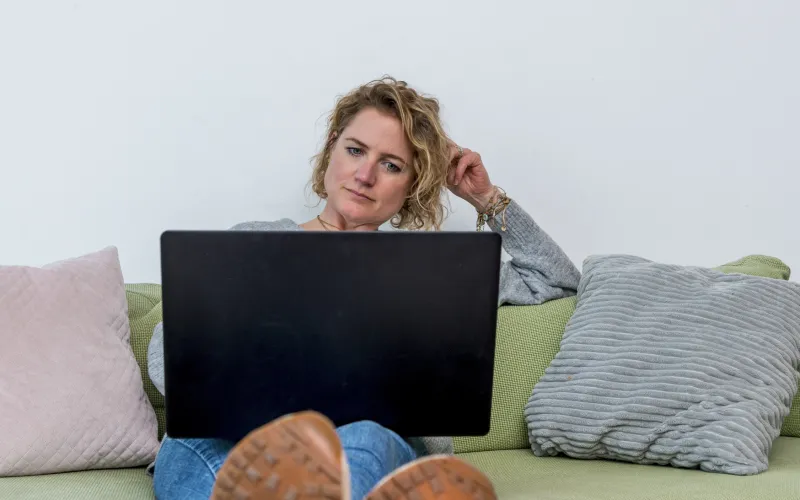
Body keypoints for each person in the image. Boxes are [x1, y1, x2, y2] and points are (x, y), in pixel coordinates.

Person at [147, 76, 581, 500]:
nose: (365, 174)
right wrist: (252, 409)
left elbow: (555, 279)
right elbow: (168, 348)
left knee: (367, 437)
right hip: (238, 439)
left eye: (391, 165)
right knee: (190, 444)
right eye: (355, 150)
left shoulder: (432, 271)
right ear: (332, 148)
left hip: (369, 444)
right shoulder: (250, 242)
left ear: (413, 184)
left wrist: (485, 198)